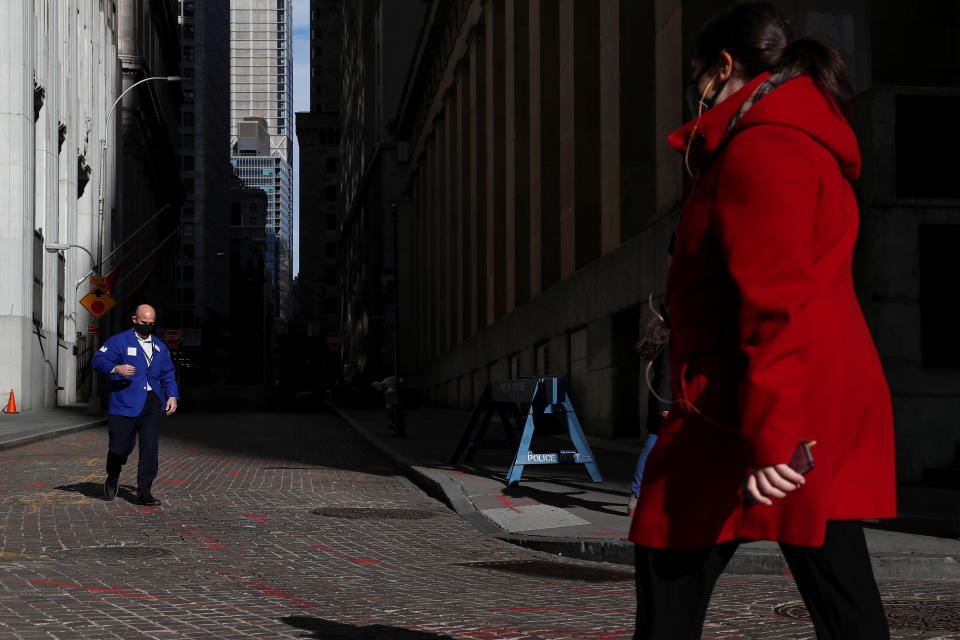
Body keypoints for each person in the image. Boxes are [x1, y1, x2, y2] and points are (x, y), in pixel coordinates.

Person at [628, 4, 896, 639]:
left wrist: (776, 437)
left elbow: (774, 299)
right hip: (776, 398)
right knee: (831, 576)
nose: (695, 91)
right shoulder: (785, 140)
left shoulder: (765, 148)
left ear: (724, 66)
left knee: (671, 549)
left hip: (755, 403)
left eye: (697, 75)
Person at [92, 304, 179, 506]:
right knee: (119, 448)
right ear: (134, 320)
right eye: (144, 323)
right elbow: (98, 360)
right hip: (124, 401)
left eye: (151, 323)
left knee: (149, 448)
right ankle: (113, 474)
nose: (148, 326)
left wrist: (172, 395)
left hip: (151, 403)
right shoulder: (119, 341)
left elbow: (168, 373)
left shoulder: (159, 346)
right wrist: (116, 368)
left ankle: (144, 492)